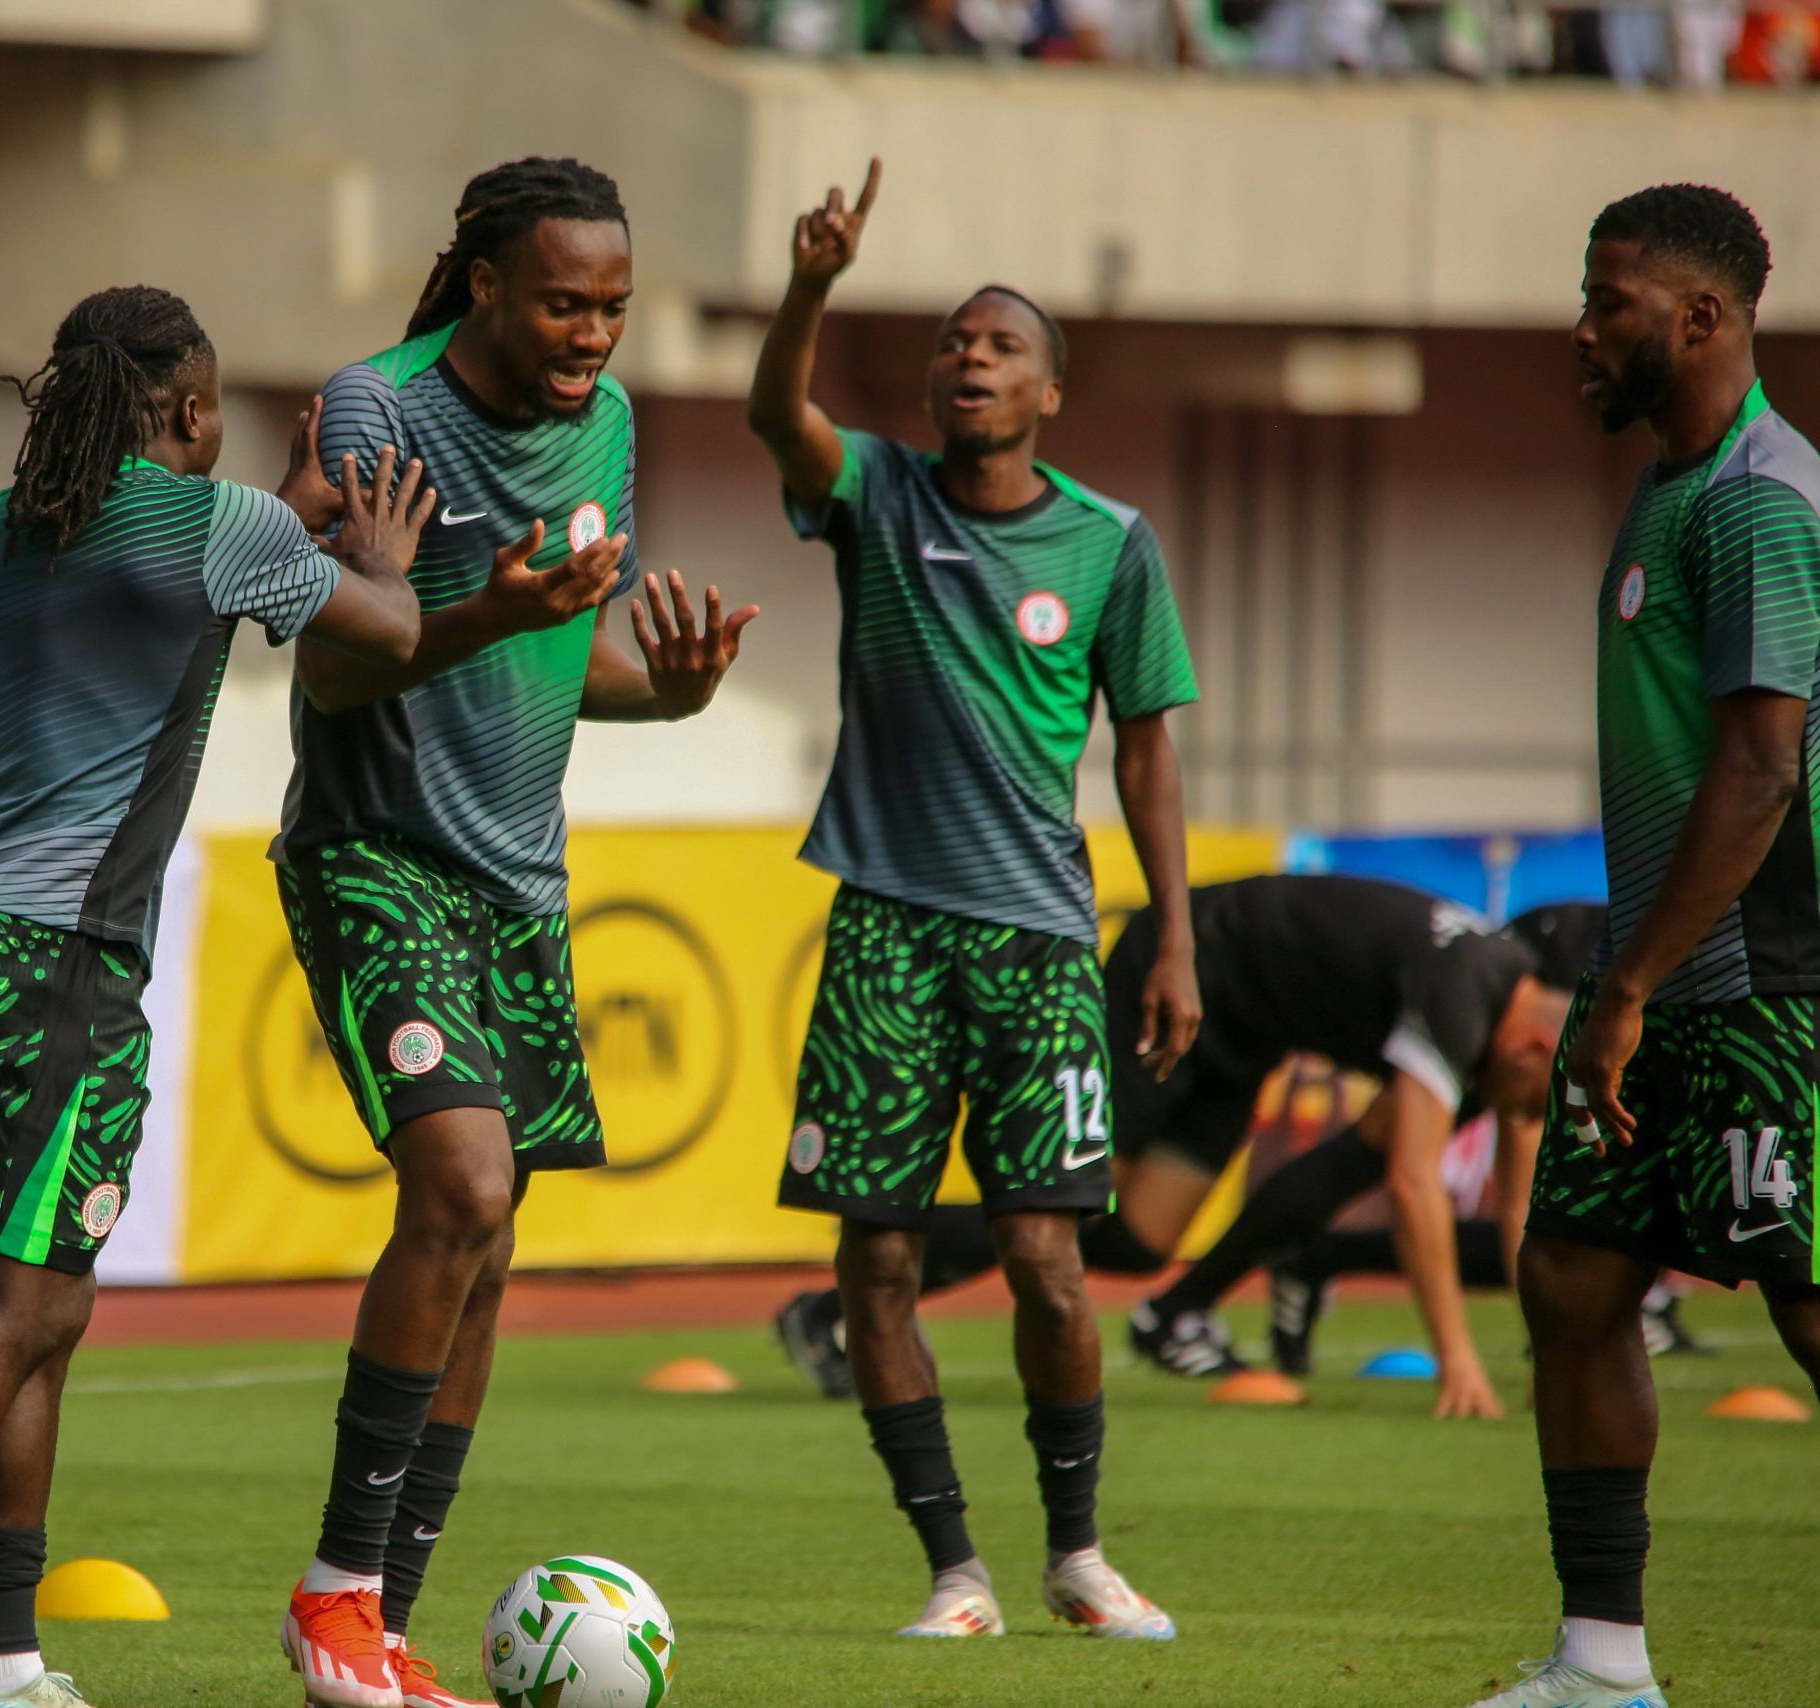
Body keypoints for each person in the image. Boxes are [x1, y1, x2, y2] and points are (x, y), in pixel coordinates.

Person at [0, 284, 426, 1708]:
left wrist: (274, 513)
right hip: (58, 960)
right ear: (182, 412)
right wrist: (387, 555)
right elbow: (388, 633)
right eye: (210, 409)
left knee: (38, 1301)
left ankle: (3, 1665)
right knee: (21, 1312)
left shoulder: (5, 525)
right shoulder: (218, 530)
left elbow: (160, 563)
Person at [271, 157, 756, 1708]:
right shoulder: (377, 413)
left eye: (613, 306)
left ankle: (389, 1633)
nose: (594, 335)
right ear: (484, 281)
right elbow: (342, 671)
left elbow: (556, 658)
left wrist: (664, 691)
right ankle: (335, 1596)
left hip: (520, 887)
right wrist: (492, 606)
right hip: (374, 858)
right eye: (565, 301)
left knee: (486, 1248)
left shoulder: (605, 422)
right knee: (462, 1180)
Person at [749, 158, 1201, 1644]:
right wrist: (812, 283)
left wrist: (1173, 934)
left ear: (1050, 391)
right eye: (952, 341)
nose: (969, 360)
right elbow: (777, 420)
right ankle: (955, 1571)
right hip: (883, 921)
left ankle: (1078, 1553)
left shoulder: (1112, 542)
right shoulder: (875, 494)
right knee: (873, 1257)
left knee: (1048, 1258)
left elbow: (1146, 748)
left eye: (1001, 345)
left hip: (1042, 943)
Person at [1462, 184, 1820, 1708]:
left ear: (1700, 316)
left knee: (1809, 1302)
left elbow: (1759, 767)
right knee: (1575, 1279)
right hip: (1676, 978)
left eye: (1609, 299)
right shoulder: (1675, 485)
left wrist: (1625, 985)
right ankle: (1604, 1668)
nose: (1582, 326)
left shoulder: (1757, 496)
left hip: (1769, 984)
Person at [776, 887, 1595, 1410]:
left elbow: (1515, 1200)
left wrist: (1550, 1346)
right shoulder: (1464, 1000)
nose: (1521, 1114)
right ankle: (839, 1301)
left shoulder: (1512, 992)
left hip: (1241, 1036)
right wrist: (1458, 1359)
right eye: (1530, 1099)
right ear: (1527, 1050)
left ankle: (1171, 1306)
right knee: (1061, 1204)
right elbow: (1416, 1186)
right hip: (1178, 977)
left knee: (1137, 1241)